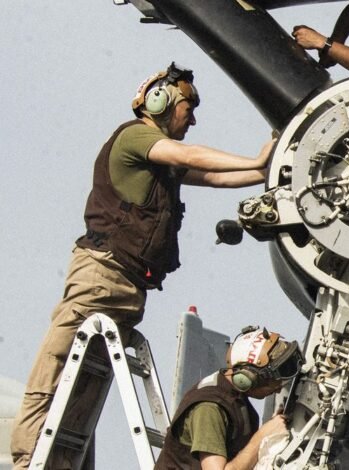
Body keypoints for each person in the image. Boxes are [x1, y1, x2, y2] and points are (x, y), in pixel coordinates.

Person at [11, 62, 276, 469]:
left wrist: (264, 166)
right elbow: (191, 155)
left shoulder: (164, 164)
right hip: (101, 275)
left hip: (128, 286)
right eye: (189, 107)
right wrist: (253, 159)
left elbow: (215, 176)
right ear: (162, 101)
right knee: (56, 370)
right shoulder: (135, 136)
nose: (193, 118)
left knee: (83, 389)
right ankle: (30, 457)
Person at [155, 326, 303, 469]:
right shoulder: (209, 408)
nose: (278, 389)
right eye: (274, 382)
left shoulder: (233, 396)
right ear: (248, 378)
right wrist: (263, 435)